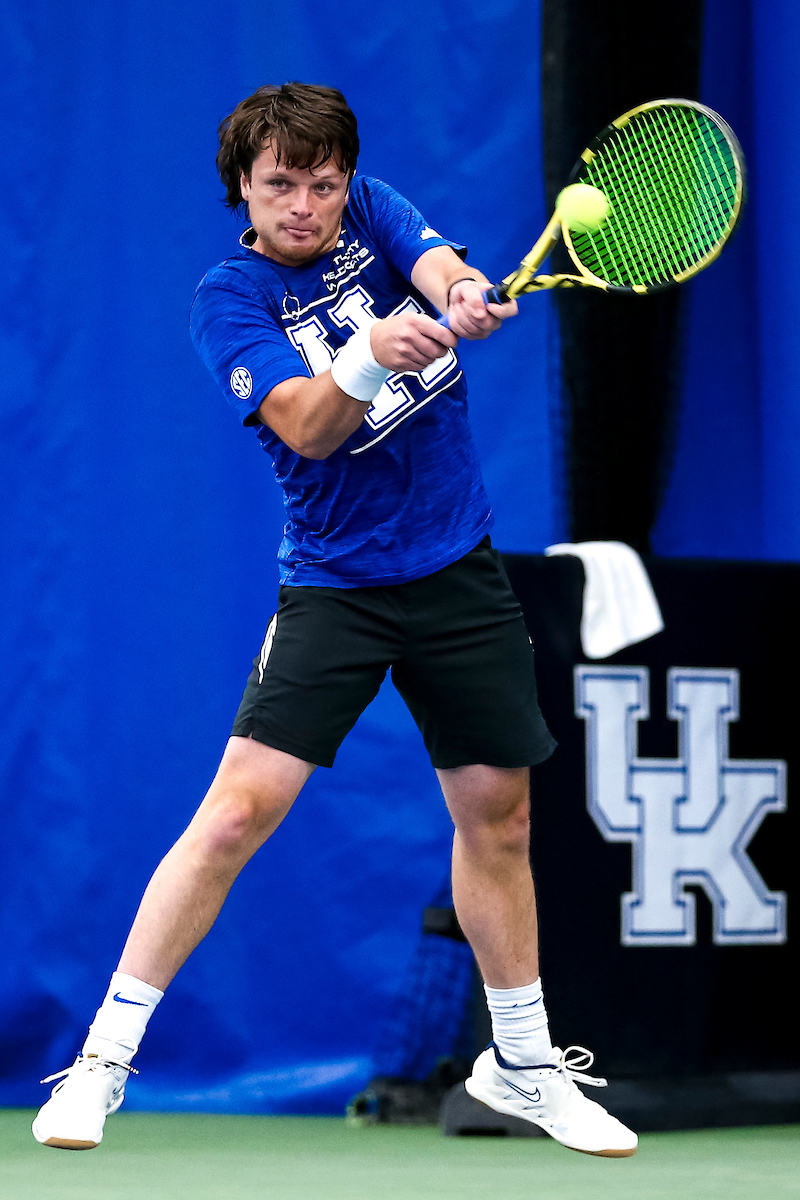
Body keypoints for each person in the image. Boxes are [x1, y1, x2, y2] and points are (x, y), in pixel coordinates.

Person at [32, 82, 637, 1158]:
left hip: (455, 567)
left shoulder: (373, 212)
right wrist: (371, 355)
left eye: (321, 184)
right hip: (335, 587)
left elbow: (436, 261)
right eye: (281, 187)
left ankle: (523, 1066)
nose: (305, 206)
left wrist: (456, 293)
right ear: (243, 189)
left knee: (499, 816)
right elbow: (310, 430)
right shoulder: (227, 300)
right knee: (233, 815)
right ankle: (101, 1063)